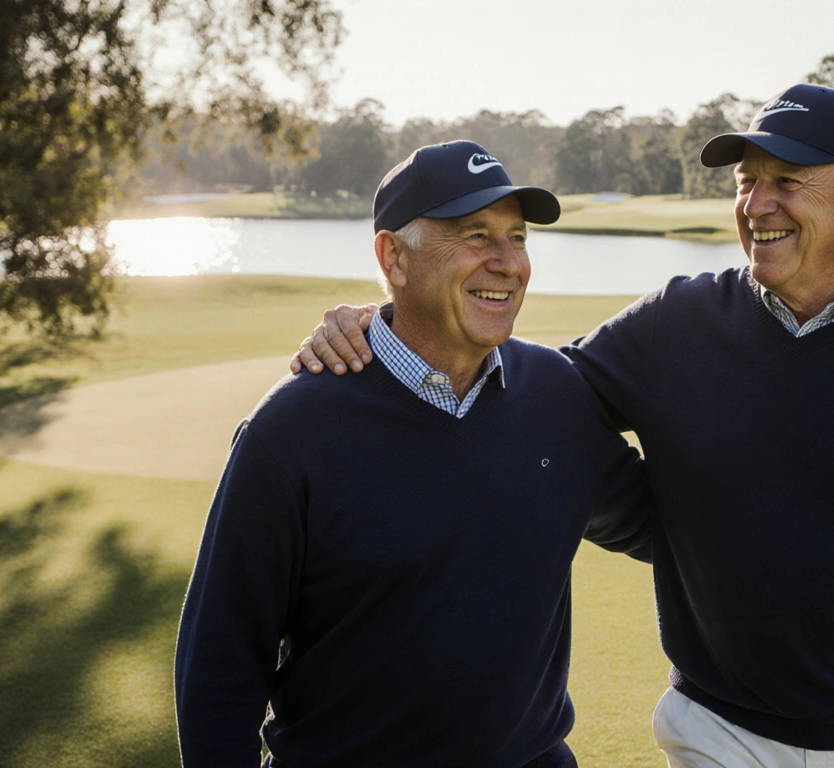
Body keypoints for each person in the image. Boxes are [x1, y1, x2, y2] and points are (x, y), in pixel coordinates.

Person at [298, 84, 834, 768]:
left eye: (787, 181)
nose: (758, 204)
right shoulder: (679, 323)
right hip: (718, 731)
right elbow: (527, 398)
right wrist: (390, 324)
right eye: (746, 181)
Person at [175, 141, 660, 767]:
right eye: (475, 236)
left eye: (517, 238)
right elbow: (219, 668)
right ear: (393, 257)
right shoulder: (291, 432)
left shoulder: (557, 395)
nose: (507, 263)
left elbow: (671, 528)